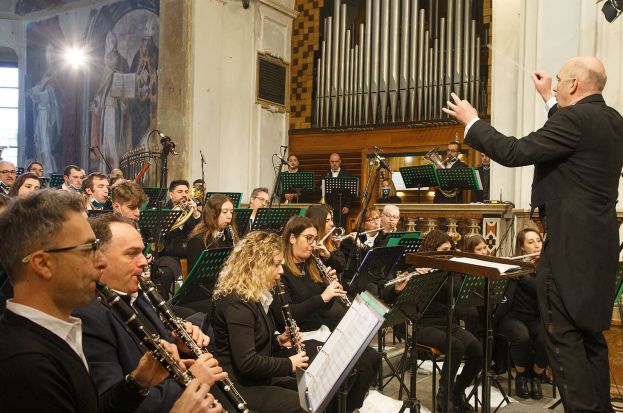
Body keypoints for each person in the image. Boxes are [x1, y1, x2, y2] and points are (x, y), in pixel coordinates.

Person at [443, 55, 623, 412]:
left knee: (562, 336)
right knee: (590, 338)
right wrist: (549, 100)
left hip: (569, 246)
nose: (554, 84)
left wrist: (473, 123)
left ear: (573, 85)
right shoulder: (613, 120)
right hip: (602, 245)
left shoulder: (574, 120)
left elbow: (513, 152)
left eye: (558, 80)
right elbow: (573, 139)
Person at [0, 190, 212, 412]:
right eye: (88, 249)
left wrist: (137, 384)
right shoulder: (25, 363)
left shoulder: (58, 331)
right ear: (43, 264)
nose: (101, 261)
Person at [74, 213, 227, 413]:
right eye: (131, 253)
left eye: (142, 252)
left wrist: (182, 348)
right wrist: (192, 378)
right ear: (98, 259)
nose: (144, 262)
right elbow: (114, 405)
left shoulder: (140, 297)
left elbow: (164, 365)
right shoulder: (87, 316)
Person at [274, 215, 379, 413]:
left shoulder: (311, 264)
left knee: (372, 357)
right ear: (292, 238)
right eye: (308, 238)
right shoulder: (281, 271)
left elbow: (335, 297)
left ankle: (349, 407)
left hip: (323, 331)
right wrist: (322, 297)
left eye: (314, 239)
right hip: (301, 337)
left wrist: (331, 282)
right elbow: (286, 315)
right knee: (355, 365)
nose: (312, 245)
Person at [212, 231, 309, 413]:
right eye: (276, 264)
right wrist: (289, 364)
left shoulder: (255, 295)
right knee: (302, 404)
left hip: (255, 379)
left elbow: (253, 341)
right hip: (236, 387)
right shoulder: (237, 303)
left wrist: (280, 341)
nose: (281, 271)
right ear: (257, 265)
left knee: (311, 389)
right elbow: (247, 363)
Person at [392, 230, 482, 412]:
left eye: (450, 250)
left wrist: (446, 271)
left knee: (477, 350)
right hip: (423, 325)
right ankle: (444, 397)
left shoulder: (450, 270)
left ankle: (457, 391)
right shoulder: (417, 268)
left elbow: (457, 289)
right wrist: (402, 287)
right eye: (444, 250)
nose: (448, 254)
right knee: (455, 346)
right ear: (432, 250)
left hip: (448, 323)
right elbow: (397, 299)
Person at [494, 229, 546, 400]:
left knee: (548, 336)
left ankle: (536, 376)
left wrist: (523, 276)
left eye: (538, 240)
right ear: (522, 247)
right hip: (512, 316)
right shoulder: (516, 264)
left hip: (536, 317)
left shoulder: (547, 266)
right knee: (521, 337)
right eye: (530, 242)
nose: (536, 244)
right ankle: (521, 377)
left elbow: (543, 291)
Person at [186, 194, 239, 303]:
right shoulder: (198, 240)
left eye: (231, 212)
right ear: (213, 214)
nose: (229, 216)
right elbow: (197, 280)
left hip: (223, 292)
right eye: (225, 212)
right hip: (203, 297)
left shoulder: (229, 236)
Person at [157, 180, 201, 299]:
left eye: (186, 192)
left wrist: (196, 213)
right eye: (180, 191)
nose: (184, 195)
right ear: (171, 195)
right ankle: (164, 306)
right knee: (165, 274)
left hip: (190, 255)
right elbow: (159, 234)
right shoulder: (163, 212)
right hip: (170, 255)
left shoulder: (192, 212)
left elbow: (201, 232)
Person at [27, 43, 60, 174]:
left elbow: (52, 92)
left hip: (48, 112)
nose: (50, 56)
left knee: (45, 142)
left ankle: (47, 168)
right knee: (39, 141)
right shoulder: (45, 72)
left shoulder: (56, 72)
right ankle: (42, 166)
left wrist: (39, 94)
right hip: (41, 112)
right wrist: (34, 93)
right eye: (48, 52)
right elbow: (39, 87)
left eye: (52, 52)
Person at [304, 204, 346, 275]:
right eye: (327, 220)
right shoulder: (306, 243)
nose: (332, 224)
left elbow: (341, 266)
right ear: (317, 222)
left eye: (331, 220)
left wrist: (328, 256)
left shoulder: (330, 241)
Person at [322, 153, 353, 228]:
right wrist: (321, 188)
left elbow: (350, 193)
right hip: (328, 207)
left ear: (340, 162)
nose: (334, 163)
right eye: (332, 162)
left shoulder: (346, 174)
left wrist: (347, 205)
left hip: (341, 207)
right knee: (329, 228)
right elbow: (319, 192)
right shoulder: (325, 174)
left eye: (336, 161)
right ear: (329, 162)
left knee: (341, 228)